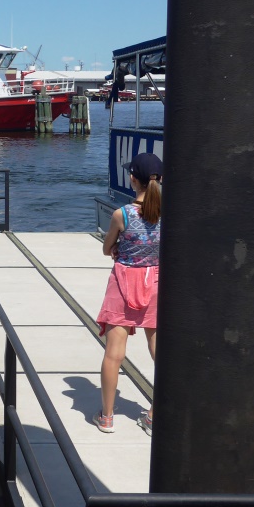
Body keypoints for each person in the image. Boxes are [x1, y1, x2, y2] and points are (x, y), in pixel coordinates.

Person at [95, 152, 163, 435]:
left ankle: (107, 417)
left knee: (114, 354)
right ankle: (153, 415)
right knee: (160, 352)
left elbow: (106, 246)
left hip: (123, 284)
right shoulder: (166, 213)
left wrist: (116, 248)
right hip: (155, 284)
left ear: (133, 179)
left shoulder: (121, 214)